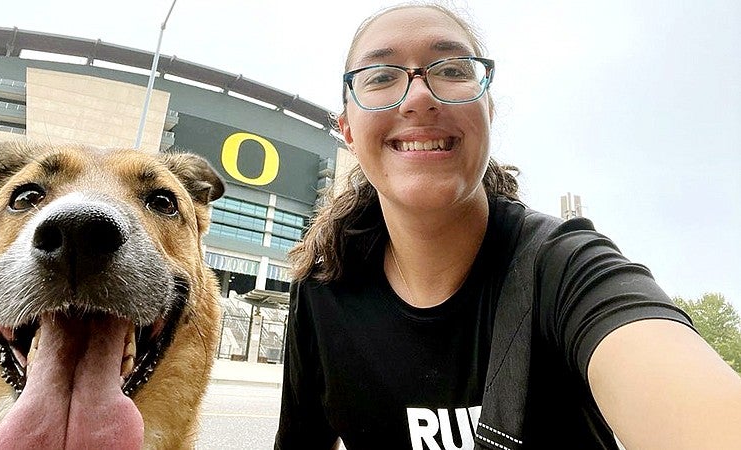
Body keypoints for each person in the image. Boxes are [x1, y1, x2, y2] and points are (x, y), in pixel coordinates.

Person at [274, 2, 741, 450]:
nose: (419, 96)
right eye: (381, 76)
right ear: (348, 130)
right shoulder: (322, 290)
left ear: (488, 113)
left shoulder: (565, 269)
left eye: (452, 69)